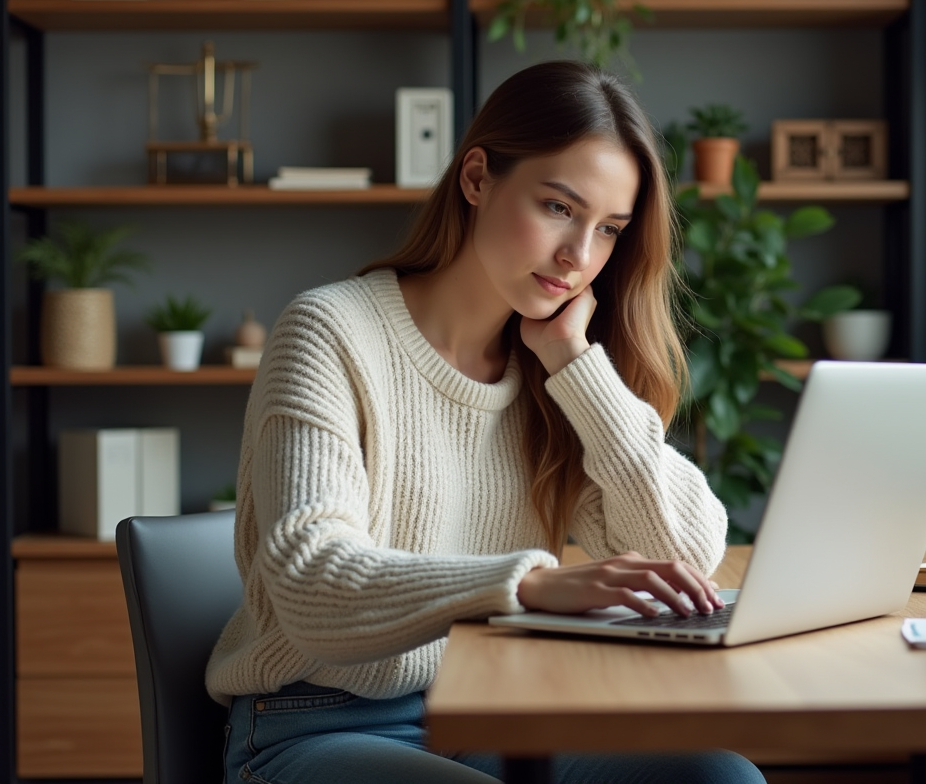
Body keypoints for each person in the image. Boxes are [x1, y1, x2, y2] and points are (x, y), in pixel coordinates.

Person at [206, 60, 766, 784]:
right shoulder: (331, 331)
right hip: (309, 722)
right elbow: (313, 586)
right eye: (559, 208)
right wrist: (526, 584)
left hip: (494, 709)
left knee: (718, 778)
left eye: (609, 230)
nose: (579, 256)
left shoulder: (553, 372)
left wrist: (575, 365)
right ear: (476, 178)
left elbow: (682, 555)